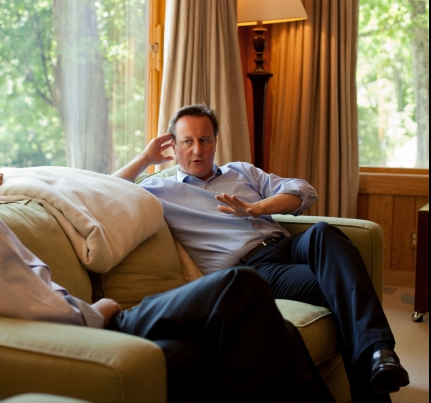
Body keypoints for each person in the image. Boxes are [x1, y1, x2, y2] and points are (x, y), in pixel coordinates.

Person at [0, 90, 334, 403]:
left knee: (257, 329)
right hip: (94, 329)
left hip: (86, 319)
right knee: (237, 288)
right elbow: (49, 311)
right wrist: (103, 309)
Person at [113, 103, 410, 402]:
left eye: (205, 140)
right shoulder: (158, 190)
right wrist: (145, 158)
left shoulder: (240, 171)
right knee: (345, 283)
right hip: (255, 269)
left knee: (323, 232)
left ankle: (379, 359)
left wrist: (256, 208)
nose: (197, 150)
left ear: (215, 142)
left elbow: (303, 190)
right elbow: (105, 191)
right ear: (173, 147)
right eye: (187, 141)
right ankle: (379, 362)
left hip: (288, 245)